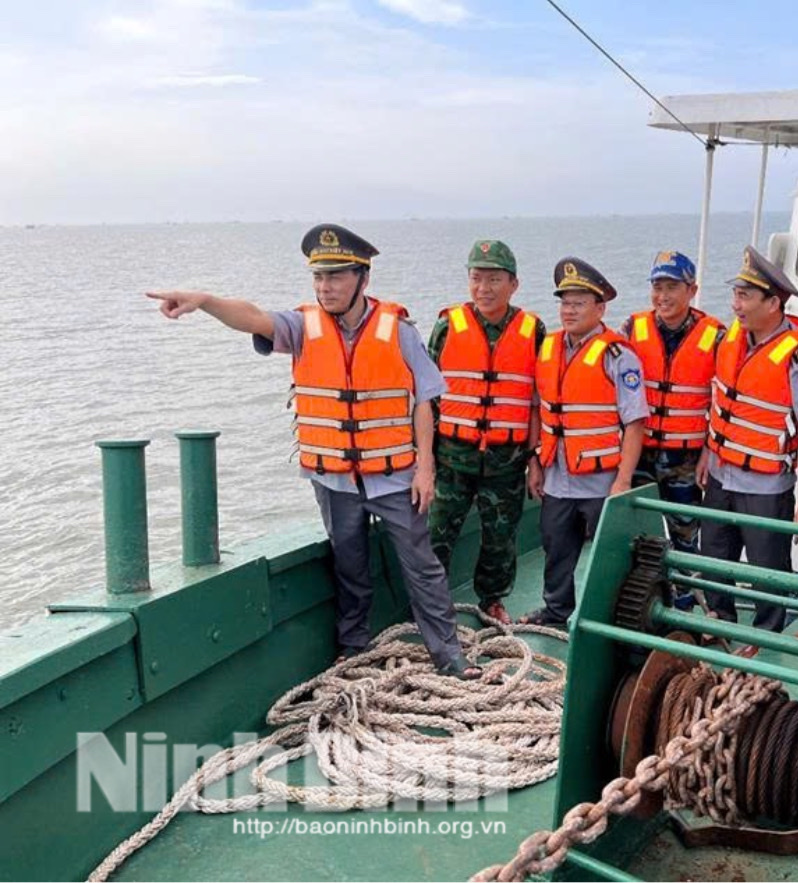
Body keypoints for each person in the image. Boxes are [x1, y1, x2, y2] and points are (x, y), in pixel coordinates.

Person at [146, 224, 479, 679]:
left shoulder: (398, 330)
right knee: (349, 566)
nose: (326, 287)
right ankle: (354, 648)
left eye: (337, 277)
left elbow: (424, 399)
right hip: (334, 478)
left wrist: (426, 468)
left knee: (421, 567)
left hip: (396, 476)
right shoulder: (303, 327)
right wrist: (204, 301)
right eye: (319, 278)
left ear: (363, 278)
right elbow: (253, 317)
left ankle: (449, 657)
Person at [695, 246, 798, 656]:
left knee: (767, 568)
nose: (736, 305)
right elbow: (721, 402)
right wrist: (708, 451)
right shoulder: (732, 339)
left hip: (766, 483)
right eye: (735, 294)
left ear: (773, 303)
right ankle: (719, 621)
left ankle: (765, 636)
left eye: (745, 296)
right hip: (721, 473)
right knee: (714, 556)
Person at [518, 258, 649, 627]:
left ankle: (613, 619)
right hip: (557, 475)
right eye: (564, 302)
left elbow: (635, 423)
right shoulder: (548, 347)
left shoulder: (617, 356)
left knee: (610, 555)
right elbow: (537, 410)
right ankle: (556, 610)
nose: (569, 310)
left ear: (600, 307)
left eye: (578, 303)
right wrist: (535, 462)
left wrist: (622, 482)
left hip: (600, 478)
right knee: (556, 546)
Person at [428, 240, 545, 625]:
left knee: (501, 536)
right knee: (436, 533)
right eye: (477, 277)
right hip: (451, 456)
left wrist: (533, 459)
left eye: (494, 279)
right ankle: (430, 603)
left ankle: (491, 600)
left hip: (506, 460)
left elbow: (537, 400)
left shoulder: (533, 331)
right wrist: (423, 460)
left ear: (514, 284)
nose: (484, 288)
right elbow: (427, 397)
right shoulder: (448, 325)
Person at [621, 251, 724, 559]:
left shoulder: (717, 336)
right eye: (657, 287)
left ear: (691, 290)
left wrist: (709, 449)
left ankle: (687, 596)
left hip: (686, 456)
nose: (662, 296)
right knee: (636, 533)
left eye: (671, 287)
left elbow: (724, 401)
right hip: (639, 452)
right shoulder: (631, 328)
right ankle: (645, 592)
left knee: (686, 532)